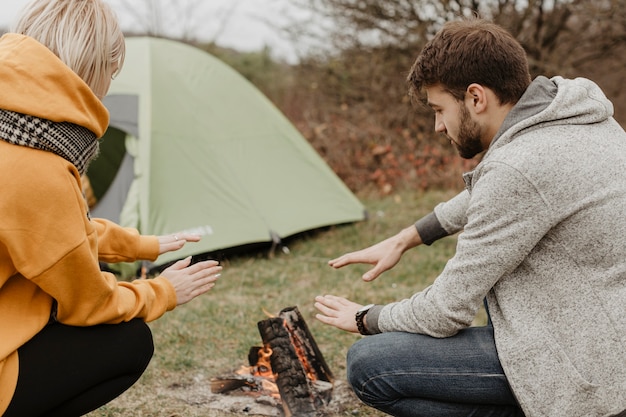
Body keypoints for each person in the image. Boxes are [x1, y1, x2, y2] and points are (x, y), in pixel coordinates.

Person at [314, 17, 626, 417]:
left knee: (370, 365)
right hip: (606, 335)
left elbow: (445, 311)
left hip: (581, 366)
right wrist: (407, 237)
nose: (438, 125)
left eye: (440, 109)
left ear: (476, 98)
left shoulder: (519, 168)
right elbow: (495, 191)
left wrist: (364, 317)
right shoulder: (576, 117)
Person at [0, 1, 222, 416]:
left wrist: (144, 245)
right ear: (93, 67)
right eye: (110, 72)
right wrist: (164, 291)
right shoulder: (38, 167)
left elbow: (52, 228)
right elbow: (89, 304)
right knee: (128, 343)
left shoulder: (10, 129)